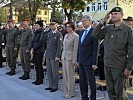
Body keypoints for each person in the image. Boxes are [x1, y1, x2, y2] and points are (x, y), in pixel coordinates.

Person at [92, 7, 133, 100]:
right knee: (110, 91)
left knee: (120, 93)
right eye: (112, 14)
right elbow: (95, 34)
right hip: (107, 64)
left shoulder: (128, 30)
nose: (113, 15)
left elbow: (131, 50)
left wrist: (129, 67)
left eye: (116, 14)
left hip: (120, 66)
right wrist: (103, 21)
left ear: (122, 15)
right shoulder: (108, 28)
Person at [77, 15, 99, 100]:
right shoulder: (81, 32)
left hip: (89, 62)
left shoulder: (94, 32)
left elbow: (95, 49)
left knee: (91, 82)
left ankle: (93, 98)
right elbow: (80, 47)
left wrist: (94, 62)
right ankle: (84, 97)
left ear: (90, 21)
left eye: (85, 20)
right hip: (81, 61)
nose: (83, 22)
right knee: (82, 81)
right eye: (82, 20)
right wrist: (78, 59)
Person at [61, 21, 79, 99]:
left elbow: (75, 49)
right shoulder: (65, 35)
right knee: (65, 75)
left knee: (70, 76)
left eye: (69, 27)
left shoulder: (76, 36)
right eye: (67, 27)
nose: (67, 28)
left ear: (73, 27)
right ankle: (66, 91)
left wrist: (74, 60)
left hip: (71, 57)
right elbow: (63, 46)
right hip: (64, 56)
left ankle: (71, 92)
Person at [45, 22, 62, 92]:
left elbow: (59, 46)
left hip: (54, 55)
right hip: (48, 54)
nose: (51, 26)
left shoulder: (58, 34)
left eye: (53, 25)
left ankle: (55, 86)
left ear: (56, 25)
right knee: (49, 71)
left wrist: (58, 55)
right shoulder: (49, 33)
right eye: (50, 25)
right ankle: (50, 85)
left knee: (55, 72)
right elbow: (47, 44)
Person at [29, 20, 46, 85]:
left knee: (39, 65)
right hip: (35, 51)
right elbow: (33, 40)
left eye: (37, 25)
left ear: (41, 26)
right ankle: (37, 78)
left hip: (40, 51)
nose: (36, 26)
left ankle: (40, 79)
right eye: (35, 25)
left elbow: (40, 42)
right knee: (36, 65)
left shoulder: (42, 32)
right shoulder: (36, 32)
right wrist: (31, 47)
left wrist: (34, 48)